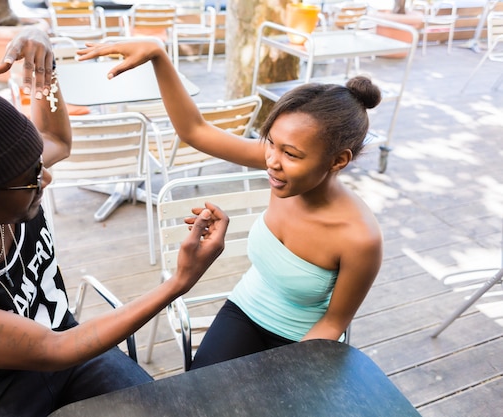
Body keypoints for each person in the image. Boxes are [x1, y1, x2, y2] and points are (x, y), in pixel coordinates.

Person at [0, 27, 228, 416]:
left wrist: (45, 70)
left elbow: (53, 136)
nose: (46, 177)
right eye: (32, 179)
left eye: (37, 165)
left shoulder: (4, 176)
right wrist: (180, 281)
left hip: (75, 344)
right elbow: (50, 351)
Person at [78, 40, 383, 369]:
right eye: (271, 144)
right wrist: (158, 56)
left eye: (291, 154)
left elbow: (333, 324)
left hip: (305, 340)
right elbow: (195, 130)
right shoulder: (281, 167)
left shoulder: (360, 239)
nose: (271, 162)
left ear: (339, 160)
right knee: (198, 393)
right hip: (245, 309)